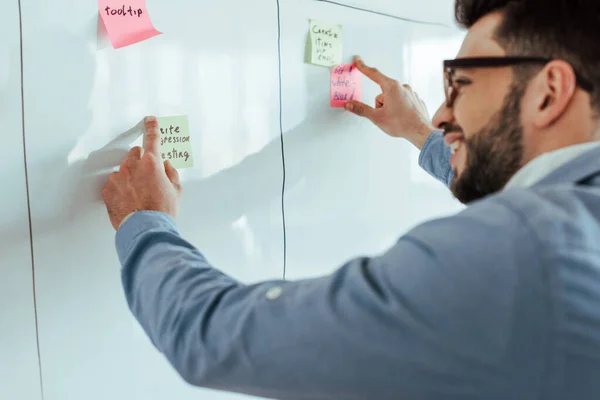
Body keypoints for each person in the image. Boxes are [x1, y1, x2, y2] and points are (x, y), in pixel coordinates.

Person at [102, 0, 600, 398]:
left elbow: (215, 340)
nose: (445, 112)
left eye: (460, 83)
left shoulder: (517, 256)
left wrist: (145, 221)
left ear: (548, 92)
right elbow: (517, 183)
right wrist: (421, 134)